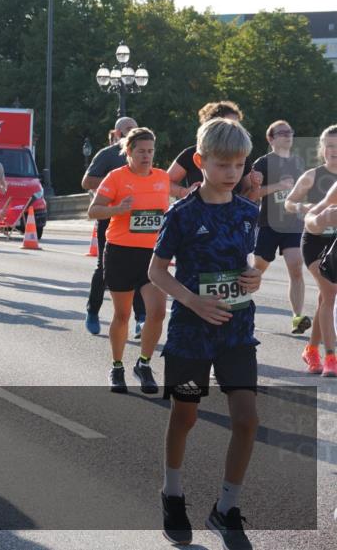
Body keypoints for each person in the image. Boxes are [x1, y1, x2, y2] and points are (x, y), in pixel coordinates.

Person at [148, 117, 262, 548]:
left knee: (247, 420)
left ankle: (226, 507)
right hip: (191, 333)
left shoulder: (249, 213)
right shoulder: (182, 214)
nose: (231, 172)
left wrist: (252, 278)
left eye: (238, 164)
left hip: (236, 331)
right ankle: (172, 495)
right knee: (186, 415)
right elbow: (155, 271)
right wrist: (192, 300)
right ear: (201, 162)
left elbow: (245, 264)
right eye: (221, 164)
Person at [86, 128, 170, 395]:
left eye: (150, 151)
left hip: (152, 256)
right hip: (121, 252)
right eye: (141, 151)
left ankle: (144, 364)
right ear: (129, 152)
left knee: (157, 312)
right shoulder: (116, 177)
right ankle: (117, 366)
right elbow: (93, 210)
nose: (147, 156)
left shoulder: (162, 178)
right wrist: (117, 209)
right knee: (122, 314)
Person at [81, 117, 147, 337]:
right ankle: (93, 311)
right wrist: (114, 192)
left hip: (136, 220)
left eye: (134, 129)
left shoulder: (143, 155)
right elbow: (87, 181)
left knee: (141, 269)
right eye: (128, 130)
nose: (132, 132)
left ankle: (141, 319)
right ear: (118, 134)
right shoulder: (107, 154)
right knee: (103, 268)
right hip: (110, 218)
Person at [250, 120, 311, 334]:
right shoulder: (262, 163)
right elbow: (253, 194)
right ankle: (237, 306)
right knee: (258, 270)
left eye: (290, 132)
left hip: (292, 224)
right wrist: (278, 186)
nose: (288, 135)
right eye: (282, 133)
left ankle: (296, 317)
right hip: (268, 223)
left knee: (296, 266)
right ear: (271, 138)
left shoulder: (298, 162)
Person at [286, 124, 337, 376]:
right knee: (330, 291)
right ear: (322, 149)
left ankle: (311, 349)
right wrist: (304, 208)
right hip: (315, 241)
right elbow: (288, 202)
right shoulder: (312, 176)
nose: (333, 151)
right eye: (329, 146)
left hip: (335, 244)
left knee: (324, 298)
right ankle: (331, 357)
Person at [168, 101, 257, 200]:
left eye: (239, 165)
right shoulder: (191, 153)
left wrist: (253, 188)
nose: (232, 129)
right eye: (222, 165)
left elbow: (248, 190)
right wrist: (184, 192)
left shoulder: (241, 154)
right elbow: (165, 183)